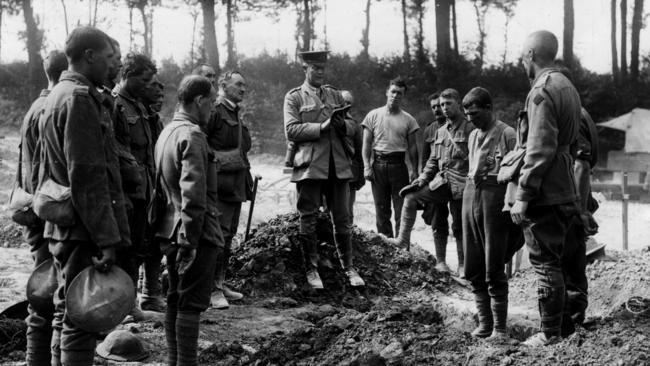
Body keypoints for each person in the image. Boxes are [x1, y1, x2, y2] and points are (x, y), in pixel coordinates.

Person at [38, 26, 131, 366]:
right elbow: (88, 176)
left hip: (68, 223)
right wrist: (106, 238)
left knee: (66, 312)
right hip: (82, 227)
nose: (111, 65)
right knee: (82, 317)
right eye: (108, 58)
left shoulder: (60, 93)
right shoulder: (79, 98)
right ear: (89, 56)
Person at [510, 30, 581, 347]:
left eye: (522, 57)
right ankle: (563, 328)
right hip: (565, 184)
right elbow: (573, 143)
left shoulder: (541, 90)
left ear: (529, 55)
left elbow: (538, 148)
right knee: (561, 259)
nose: (521, 62)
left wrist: (523, 195)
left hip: (546, 190)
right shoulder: (568, 86)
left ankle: (549, 332)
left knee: (544, 262)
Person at [153, 75, 222, 366]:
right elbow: (193, 194)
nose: (214, 109)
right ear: (200, 101)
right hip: (194, 233)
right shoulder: (192, 135)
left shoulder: (168, 131)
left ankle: (174, 361)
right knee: (191, 303)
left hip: (170, 230)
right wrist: (191, 241)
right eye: (213, 102)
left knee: (174, 298)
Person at [283, 50, 364, 289]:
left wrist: (342, 126)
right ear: (304, 69)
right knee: (307, 218)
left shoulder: (335, 94)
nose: (319, 72)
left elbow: (352, 125)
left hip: (337, 166)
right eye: (314, 68)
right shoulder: (294, 98)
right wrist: (323, 126)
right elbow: (291, 130)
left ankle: (348, 266)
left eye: (322, 68)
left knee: (343, 218)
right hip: (310, 166)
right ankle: (311, 269)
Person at [19, 49, 67, 366]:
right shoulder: (50, 108)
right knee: (46, 295)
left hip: (33, 210)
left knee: (44, 293)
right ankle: (37, 359)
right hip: (45, 214)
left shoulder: (34, 107)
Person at [393, 88, 473, 277]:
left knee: (460, 226)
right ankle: (404, 241)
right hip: (442, 182)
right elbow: (433, 161)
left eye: (448, 104)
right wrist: (421, 180)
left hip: (464, 184)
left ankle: (463, 265)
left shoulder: (471, 129)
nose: (444, 108)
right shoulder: (440, 131)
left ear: (458, 104)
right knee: (411, 197)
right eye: (442, 104)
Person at [460, 87, 518, 340]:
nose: (471, 119)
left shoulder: (507, 134)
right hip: (472, 197)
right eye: (467, 115)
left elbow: (517, 174)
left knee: (493, 264)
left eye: (475, 113)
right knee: (473, 264)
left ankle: (501, 329)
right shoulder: (473, 136)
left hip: (496, 201)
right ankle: (485, 324)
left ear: (488, 108)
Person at [113, 53, 160, 316]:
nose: (146, 85)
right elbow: (118, 150)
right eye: (143, 80)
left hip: (144, 189)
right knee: (124, 250)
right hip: (126, 190)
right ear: (128, 77)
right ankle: (120, 307)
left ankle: (129, 304)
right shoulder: (116, 104)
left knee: (137, 248)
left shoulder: (139, 105)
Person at [204, 70, 252, 309]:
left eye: (244, 86)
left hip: (235, 185)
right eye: (238, 84)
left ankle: (220, 283)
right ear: (223, 85)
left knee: (229, 235)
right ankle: (211, 290)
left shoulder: (235, 112)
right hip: (219, 185)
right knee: (217, 237)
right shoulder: (214, 111)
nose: (243, 89)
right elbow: (201, 144)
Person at [362, 77, 419, 238]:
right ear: (387, 92)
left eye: (399, 93)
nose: (395, 96)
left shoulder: (409, 120)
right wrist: (366, 166)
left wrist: (415, 171)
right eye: (393, 92)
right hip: (378, 165)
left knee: (401, 208)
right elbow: (366, 144)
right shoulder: (373, 115)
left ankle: (401, 246)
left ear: (403, 96)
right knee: (381, 208)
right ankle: (386, 244)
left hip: (399, 167)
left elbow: (413, 147)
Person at [136, 75, 167, 312]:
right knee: (135, 245)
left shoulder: (154, 120)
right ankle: (130, 300)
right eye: (154, 87)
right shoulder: (127, 110)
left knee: (154, 241)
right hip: (136, 188)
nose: (160, 92)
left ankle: (150, 292)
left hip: (154, 187)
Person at [421, 92, 452, 273]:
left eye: (439, 106)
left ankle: (465, 263)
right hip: (437, 183)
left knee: (460, 223)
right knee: (438, 221)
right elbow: (426, 160)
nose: (436, 110)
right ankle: (441, 261)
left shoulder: (459, 126)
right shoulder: (430, 130)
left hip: (456, 181)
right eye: (433, 107)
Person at [341, 90, 365, 224]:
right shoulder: (326, 120)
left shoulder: (354, 124)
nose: (346, 105)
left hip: (349, 174)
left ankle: (348, 240)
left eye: (349, 103)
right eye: (343, 101)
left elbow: (359, 152)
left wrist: (360, 176)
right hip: (329, 173)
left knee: (348, 211)